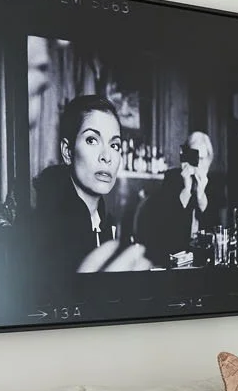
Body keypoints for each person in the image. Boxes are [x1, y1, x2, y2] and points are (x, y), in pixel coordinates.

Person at [25, 95, 150, 277]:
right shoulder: (42, 224)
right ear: (67, 152)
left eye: (115, 145)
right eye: (92, 140)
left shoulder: (103, 220)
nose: (107, 156)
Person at [135, 130, 213, 265]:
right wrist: (186, 190)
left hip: (201, 258)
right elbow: (167, 228)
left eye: (202, 158)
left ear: (208, 160)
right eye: (194, 156)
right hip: (173, 257)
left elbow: (213, 229)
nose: (198, 164)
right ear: (186, 157)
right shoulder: (172, 178)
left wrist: (201, 194)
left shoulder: (212, 184)